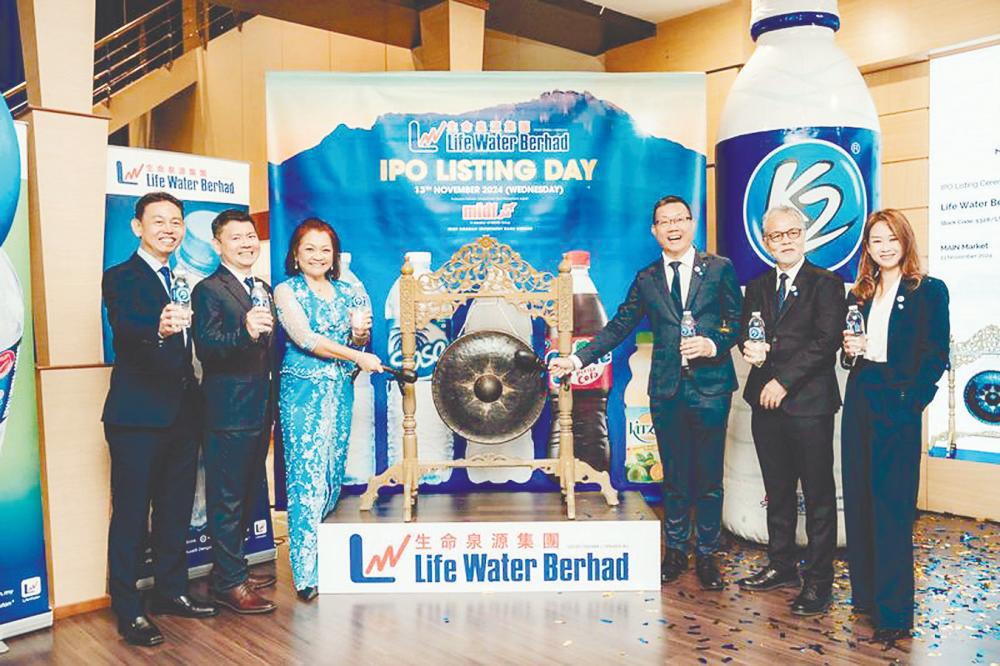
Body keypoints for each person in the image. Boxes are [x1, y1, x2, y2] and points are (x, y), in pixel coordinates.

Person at [549, 195, 743, 590]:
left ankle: (707, 554)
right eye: (664, 222)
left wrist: (713, 344)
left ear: (691, 224)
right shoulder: (647, 278)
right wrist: (575, 360)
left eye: (679, 219)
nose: (673, 227)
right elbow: (618, 326)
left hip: (711, 388)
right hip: (667, 389)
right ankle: (675, 551)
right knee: (673, 477)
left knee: (708, 477)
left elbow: (736, 321)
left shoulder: (720, 269)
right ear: (654, 231)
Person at [102, 192, 217, 648]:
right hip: (136, 416)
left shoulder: (184, 278)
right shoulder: (121, 277)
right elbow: (125, 332)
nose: (169, 228)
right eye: (159, 221)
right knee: (131, 515)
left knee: (175, 511)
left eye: (176, 221)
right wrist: (158, 327)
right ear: (138, 227)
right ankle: (128, 609)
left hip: (183, 413)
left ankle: (172, 592)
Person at [840, 209, 949, 646]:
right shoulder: (860, 292)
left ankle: (895, 612)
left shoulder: (928, 291)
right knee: (862, 502)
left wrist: (911, 403)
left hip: (897, 401)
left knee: (892, 508)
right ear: (867, 247)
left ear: (905, 241)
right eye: (875, 241)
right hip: (861, 396)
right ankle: (866, 597)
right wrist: (850, 351)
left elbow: (935, 354)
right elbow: (852, 356)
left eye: (891, 239)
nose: (884, 247)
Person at [736, 206, 845, 616]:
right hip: (764, 404)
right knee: (777, 490)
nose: (784, 240)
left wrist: (783, 381)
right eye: (775, 235)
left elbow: (826, 340)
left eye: (791, 232)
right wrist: (751, 349)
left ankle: (819, 583)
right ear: (765, 241)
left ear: (804, 235)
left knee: (817, 496)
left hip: (809, 405)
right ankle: (781, 565)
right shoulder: (759, 285)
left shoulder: (826, 282)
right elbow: (752, 330)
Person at [274, 218, 383, 601]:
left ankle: (325, 560)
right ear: (295, 254)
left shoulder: (347, 291)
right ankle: (306, 574)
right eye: (310, 249)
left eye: (325, 250)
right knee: (305, 479)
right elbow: (305, 338)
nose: (318, 256)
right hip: (302, 393)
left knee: (331, 477)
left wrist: (359, 332)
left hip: (340, 391)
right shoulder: (286, 291)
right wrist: (357, 352)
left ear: (334, 255)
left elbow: (357, 337)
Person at [191, 209, 277, 614]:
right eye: (236, 237)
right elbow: (208, 348)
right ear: (217, 244)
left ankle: (231, 570)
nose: (246, 243)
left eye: (250, 236)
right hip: (228, 411)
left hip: (259, 409)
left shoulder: (260, 286)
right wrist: (244, 330)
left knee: (243, 495)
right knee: (226, 499)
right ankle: (229, 584)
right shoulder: (209, 289)